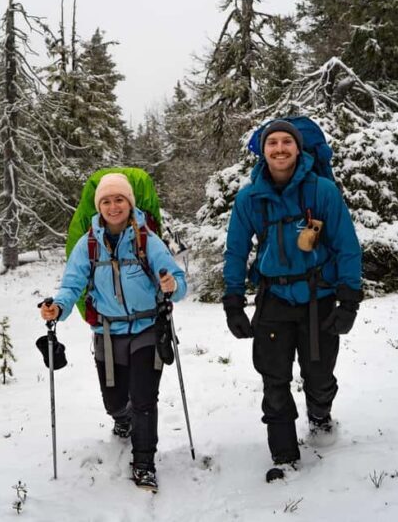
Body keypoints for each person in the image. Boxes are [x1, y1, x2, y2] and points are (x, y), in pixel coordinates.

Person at [222, 119, 363, 476]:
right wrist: (233, 300)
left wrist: (349, 300)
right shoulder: (249, 197)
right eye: (273, 143)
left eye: (287, 142)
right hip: (274, 298)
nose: (280, 148)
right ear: (262, 150)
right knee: (274, 378)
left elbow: (347, 245)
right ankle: (283, 456)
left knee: (318, 373)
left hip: (320, 296)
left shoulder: (322, 191)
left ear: (298, 148)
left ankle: (320, 415)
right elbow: (236, 251)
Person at [41, 173, 187, 492]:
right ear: (99, 207)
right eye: (106, 201)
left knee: (145, 398)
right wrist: (59, 308)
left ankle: (144, 462)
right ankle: (123, 418)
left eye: (119, 199)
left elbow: (177, 279)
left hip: (148, 327)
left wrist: (172, 285)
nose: (113, 206)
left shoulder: (147, 238)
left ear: (130, 203)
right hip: (107, 333)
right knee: (115, 401)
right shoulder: (89, 244)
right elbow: (72, 285)